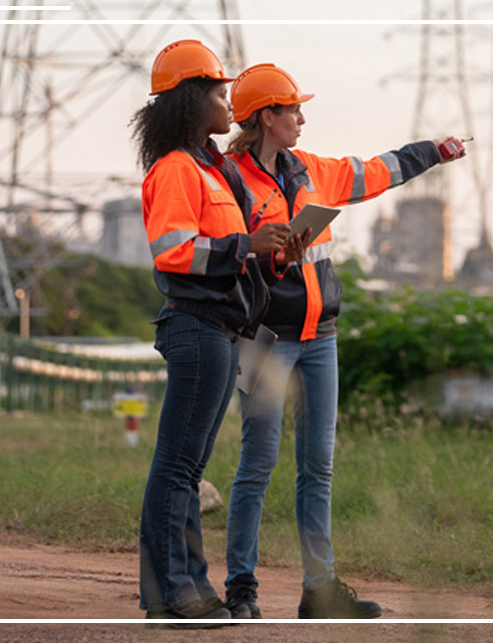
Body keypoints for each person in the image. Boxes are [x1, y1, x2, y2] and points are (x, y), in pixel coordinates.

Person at [222, 63, 467, 620]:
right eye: (292, 110)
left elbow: (376, 171)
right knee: (257, 465)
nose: (302, 118)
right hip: (263, 339)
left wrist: (433, 150)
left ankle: (320, 591)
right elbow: (223, 251)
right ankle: (242, 590)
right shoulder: (230, 181)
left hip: (319, 339)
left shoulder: (310, 170)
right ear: (266, 116)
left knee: (318, 467)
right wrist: (259, 252)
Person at [131, 41, 307, 627]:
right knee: (178, 466)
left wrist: (275, 250)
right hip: (196, 326)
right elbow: (175, 254)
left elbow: (235, 255)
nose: (226, 99)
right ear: (189, 101)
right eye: (215, 91)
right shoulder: (177, 170)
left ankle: (183, 593)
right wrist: (245, 246)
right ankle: (176, 594)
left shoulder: (214, 168)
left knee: (188, 464)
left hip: (221, 328)